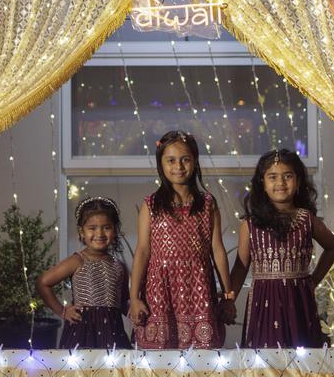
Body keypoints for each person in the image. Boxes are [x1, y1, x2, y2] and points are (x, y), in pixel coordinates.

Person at [129, 130, 234, 349]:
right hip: (160, 289)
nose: (178, 166)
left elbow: (217, 249)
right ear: (161, 164)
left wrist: (228, 295)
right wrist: (135, 297)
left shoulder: (207, 204)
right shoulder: (151, 205)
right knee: (161, 360)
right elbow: (142, 251)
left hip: (198, 288)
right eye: (171, 160)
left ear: (195, 162)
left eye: (185, 159)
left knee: (201, 361)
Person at [229, 149, 334, 349]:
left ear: (297, 181)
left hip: (299, 301)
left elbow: (332, 247)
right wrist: (229, 300)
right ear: (262, 183)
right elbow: (240, 267)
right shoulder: (250, 224)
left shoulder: (307, 219)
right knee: (265, 359)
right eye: (273, 177)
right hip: (264, 303)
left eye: (287, 176)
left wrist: (313, 281)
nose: (280, 183)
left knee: (302, 359)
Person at [37, 196, 131, 350]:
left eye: (106, 227)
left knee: (112, 372)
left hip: (113, 333)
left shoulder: (119, 266)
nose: (99, 233)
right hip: (82, 332)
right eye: (92, 228)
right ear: (81, 232)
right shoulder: (77, 261)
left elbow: (122, 302)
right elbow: (43, 282)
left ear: (114, 230)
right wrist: (62, 311)